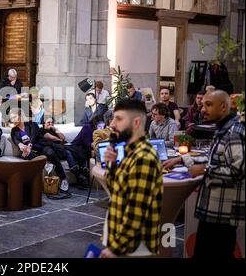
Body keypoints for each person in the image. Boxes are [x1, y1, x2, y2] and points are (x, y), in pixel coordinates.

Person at [162, 90, 244, 258]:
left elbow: (238, 171)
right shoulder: (223, 129)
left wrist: (205, 170)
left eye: (208, 104)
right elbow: (214, 159)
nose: (202, 109)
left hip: (222, 213)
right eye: (203, 104)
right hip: (214, 211)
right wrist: (181, 159)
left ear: (223, 107)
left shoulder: (234, 132)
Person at [101, 99, 163, 258]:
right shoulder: (130, 152)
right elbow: (115, 190)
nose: (112, 124)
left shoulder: (144, 157)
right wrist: (111, 165)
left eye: (119, 119)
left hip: (134, 248)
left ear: (136, 122)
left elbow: (136, 211)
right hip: (122, 241)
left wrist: (115, 248)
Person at [9, 108, 69, 192]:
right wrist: (21, 145)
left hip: (41, 146)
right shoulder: (14, 131)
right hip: (29, 152)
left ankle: (63, 178)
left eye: (14, 117)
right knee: (25, 154)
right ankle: (45, 164)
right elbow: (16, 141)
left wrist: (29, 145)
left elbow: (33, 137)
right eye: (11, 118)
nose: (13, 120)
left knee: (50, 152)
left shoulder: (32, 124)